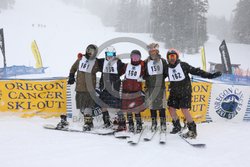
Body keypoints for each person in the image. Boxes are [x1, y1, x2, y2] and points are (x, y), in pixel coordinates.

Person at [166, 48, 222, 138]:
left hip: (185, 91)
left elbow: (196, 71)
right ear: (167, 58)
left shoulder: (183, 65)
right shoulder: (167, 68)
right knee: (171, 108)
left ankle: (192, 130)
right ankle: (177, 126)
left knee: (184, 110)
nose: (172, 58)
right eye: (170, 56)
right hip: (174, 92)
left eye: (174, 56)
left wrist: (210, 76)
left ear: (177, 57)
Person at [60, 44, 100, 131]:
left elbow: (102, 68)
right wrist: (71, 76)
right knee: (82, 107)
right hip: (80, 88)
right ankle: (88, 122)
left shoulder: (96, 62)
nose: (90, 53)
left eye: (92, 51)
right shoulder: (81, 59)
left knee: (87, 107)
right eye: (89, 50)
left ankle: (88, 123)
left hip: (89, 89)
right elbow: (73, 68)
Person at [98, 46, 126, 131]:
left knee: (117, 107)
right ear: (106, 54)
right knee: (103, 105)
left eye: (112, 54)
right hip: (104, 88)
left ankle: (122, 123)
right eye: (108, 54)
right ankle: (106, 122)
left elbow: (125, 69)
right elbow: (92, 59)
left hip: (114, 88)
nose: (110, 56)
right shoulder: (102, 62)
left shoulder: (118, 63)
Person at [144, 43, 168, 132]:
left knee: (162, 107)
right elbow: (144, 74)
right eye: (151, 51)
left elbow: (166, 73)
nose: (153, 53)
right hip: (150, 87)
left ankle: (163, 124)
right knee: (152, 107)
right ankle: (154, 124)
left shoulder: (163, 61)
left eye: (154, 51)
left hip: (161, 87)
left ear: (157, 51)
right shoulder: (146, 62)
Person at [121, 50, 145, 133]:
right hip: (127, 91)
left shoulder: (142, 66)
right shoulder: (127, 66)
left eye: (137, 57)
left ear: (140, 58)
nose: (135, 59)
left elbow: (147, 72)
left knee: (137, 110)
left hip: (136, 91)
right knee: (129, 110)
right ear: (131, 57)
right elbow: (119, 71)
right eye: (133, 57)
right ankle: (131, 125)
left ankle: (139, 125)